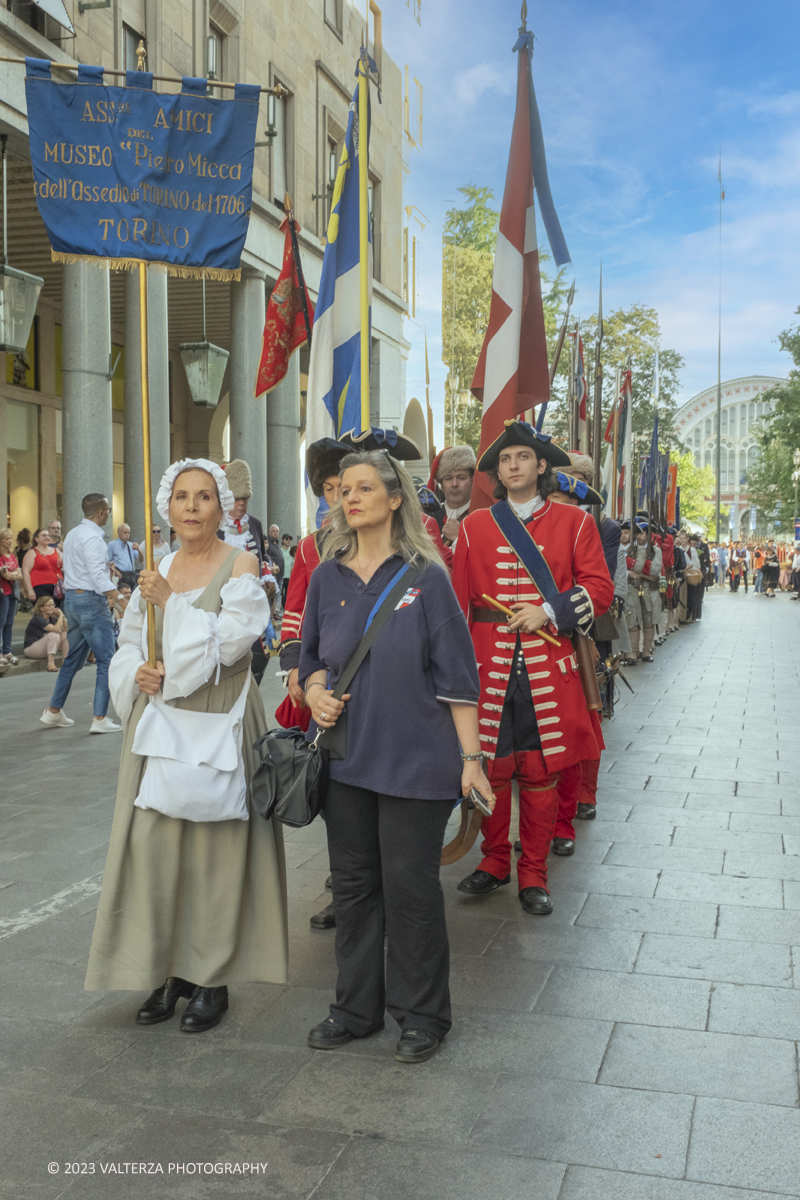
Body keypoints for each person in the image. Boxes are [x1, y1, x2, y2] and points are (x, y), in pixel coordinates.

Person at [299, 449, 490, 1063]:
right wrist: (315, 692)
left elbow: (459, 678)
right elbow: (307, 660)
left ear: (395, 498)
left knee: (410, 889)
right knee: (354, 889)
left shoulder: (426, 575)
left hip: (417, 761)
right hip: (346, 760)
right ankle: (355, 1010)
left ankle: (422, 1015)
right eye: (342, 490)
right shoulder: (326, 576)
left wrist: (471, 760)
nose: (349, 498)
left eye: (363, 488)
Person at [84, 458, 288, 1030]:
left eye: (203, 497)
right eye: (181, 497)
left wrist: (170, 602)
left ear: (222, 507)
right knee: (156, 847)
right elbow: (128, 642)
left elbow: (230, 646)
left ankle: (210, 978)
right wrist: (137, 674)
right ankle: (166, 968)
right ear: (166, 507)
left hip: (220, 715)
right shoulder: (161, 564)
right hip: (162, 720)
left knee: (216, 853)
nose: (192, 507)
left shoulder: (241, 562)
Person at [451, 420, 613, 916]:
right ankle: (495, 861)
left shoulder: (577, 525)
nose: (513, 465)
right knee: (492, 769)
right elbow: (457, 603)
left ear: (541, 466)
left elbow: (600, 591)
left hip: (548, 663)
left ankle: (534, 871)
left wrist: (550, 610)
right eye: (505, 460)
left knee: (541, 775)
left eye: (522, 457)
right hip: (488, 663)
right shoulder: (474, 525)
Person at [39, 494, 121, 733]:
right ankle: (99, 718)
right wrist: (121, 598)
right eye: (108, 510)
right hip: (90, 601)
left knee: (72, 659)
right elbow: (97, 577)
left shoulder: (73, 534)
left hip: (72, 600)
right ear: (101, 513)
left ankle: (54, 711)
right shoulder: (95, 539)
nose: (108, 514)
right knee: (106, 660)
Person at [220, 459, 269, 684]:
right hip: (223, 603)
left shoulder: (255, 524)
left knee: (260, 654)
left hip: (252, 600)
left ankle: (251, 690)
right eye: (237, 499)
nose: (241, 504)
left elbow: (262, 557)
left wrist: (268, 576)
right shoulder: (216, 526)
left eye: (245, 499)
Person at [624, 523, 663, 659]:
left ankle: (646, 651)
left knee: (649, 621)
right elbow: (624, 566)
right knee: (632, 621)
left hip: (649, 590)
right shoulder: (628, 549)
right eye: (637, 534)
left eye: (642, 533)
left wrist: (636, 566)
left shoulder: (656, 551)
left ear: (647, 534)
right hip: (633, 589)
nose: (639, 537)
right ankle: (633, 652)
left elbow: (655, 570)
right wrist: (640, 569)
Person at [428, 445, 477, 547]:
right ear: (441, 484)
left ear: (472, 481)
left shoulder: (480, 516)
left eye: (461, 478)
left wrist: (458, 538)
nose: (454, 484)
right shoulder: (430, 517)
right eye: (448, 478)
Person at [23, 595, 68, 670]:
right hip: (31, 649)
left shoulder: (52, 618)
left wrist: (62, 616)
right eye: (49, 605)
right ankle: (51, 664)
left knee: (66, 635)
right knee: (53, 634)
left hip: (44, 648)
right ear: (41, 608)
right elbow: (56, 629)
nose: (52, 607)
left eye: (53, 605)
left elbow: (66, 628)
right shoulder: (38, 619)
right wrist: (60, 615)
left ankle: (66, 663)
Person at [22, 527, 63, 605]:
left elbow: (66, 563)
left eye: (48, 535)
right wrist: (30, 590)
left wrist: (64, 550)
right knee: (43, 612)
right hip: (39, 588)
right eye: (44, 535)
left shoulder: (56, 551)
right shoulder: (32, 553)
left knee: (55, 612)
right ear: (37, 539)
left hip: (56, 588)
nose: (47, 537)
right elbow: (26, 572)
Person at [0, 528, 23, 665]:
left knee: (9, 623)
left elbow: (19, 575)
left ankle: (7, 651)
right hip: (3, 593)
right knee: (1, 623)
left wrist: (13, 574)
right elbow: (6, 575)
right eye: (6, 538)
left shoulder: (13, 557)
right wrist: (13, 574)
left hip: (12, 593)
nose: (9, 541)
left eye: (11, 538)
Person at [107, 523, 143, 588]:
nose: (127, 535)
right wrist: (116, 572)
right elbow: (107, 562)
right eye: (125, 533)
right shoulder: (112, 545)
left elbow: (140, 560)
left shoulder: (131, 545)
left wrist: (138, 550)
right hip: (120, 575)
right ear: (119, 532)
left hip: (130, 576)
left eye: (128, 533)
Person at [280, 533, 293, 606]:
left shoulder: (292, 551)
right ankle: (280, 609)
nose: (288, 541)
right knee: (280, 594)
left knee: (288, 594)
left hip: (290, 576)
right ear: (282, 540)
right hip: (282, 575)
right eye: (286, 539)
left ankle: (286, 608)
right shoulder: (280, 551)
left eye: (290, 539)